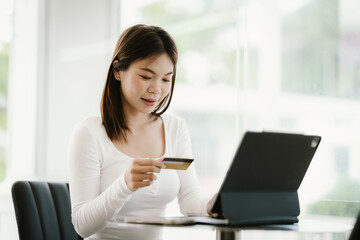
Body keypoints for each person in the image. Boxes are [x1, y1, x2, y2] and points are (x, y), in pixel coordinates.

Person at [68, 24, 216, 240]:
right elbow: (82, 225)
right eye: (146, 76)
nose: (157, 89)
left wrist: (213, 204)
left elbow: (189, 199)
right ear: (118, 71)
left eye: (166, 79)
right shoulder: (89, 133)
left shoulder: (175, 128)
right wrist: (125, 184)